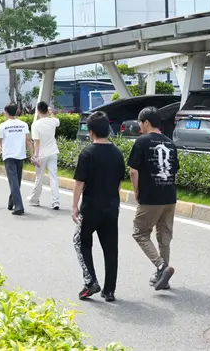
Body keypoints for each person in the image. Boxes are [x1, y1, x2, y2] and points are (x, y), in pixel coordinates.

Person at [72, 111, 125, 302]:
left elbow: (79, 182)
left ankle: (90, 281)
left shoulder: (87, 153)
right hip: (111, 206)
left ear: (91, 131)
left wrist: (74, 206)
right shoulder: (117, 153)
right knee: (110, 247)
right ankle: (109, 290)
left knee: (80, 241)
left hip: (91, 207)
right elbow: (119, 182)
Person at [127, 106, 180, 291]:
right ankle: (163, 276)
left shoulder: (141, 141)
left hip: (150, 196)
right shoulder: (170, 143)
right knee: (164, 237)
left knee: (140, 233)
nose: (139, 126)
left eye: (140, 123)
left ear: (147, 122)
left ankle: (161, 267)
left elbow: (133, 171)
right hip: (170, 196)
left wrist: (136, 191)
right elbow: (174, 170)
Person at [0, 104, 35, 216]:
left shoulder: (3, 126)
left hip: (9, 156)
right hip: (20, 155)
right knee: (16, 181)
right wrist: (32, 154)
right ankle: (11, 202)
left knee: (14, 181)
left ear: (6, 112)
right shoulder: (23, 124)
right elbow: (29, 140)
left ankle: (19, 206)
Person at [29, 101, 62, 210]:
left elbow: (36, 142)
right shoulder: (52, 121)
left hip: (42, 154)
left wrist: (36, 156)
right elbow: (57, 121)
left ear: (37, 110)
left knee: (39, 177)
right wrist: (51, 113)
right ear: (47, 110)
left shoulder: (36, 124)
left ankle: (35, 199)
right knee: (54, 177)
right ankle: (55, 201)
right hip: (53, 152)